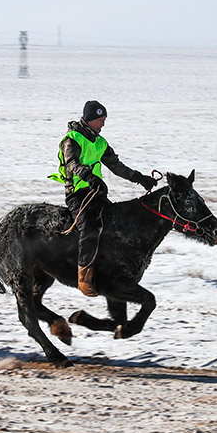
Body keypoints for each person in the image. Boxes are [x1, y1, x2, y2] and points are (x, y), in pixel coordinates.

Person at [49, 101, 156, 296]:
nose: (103, 124)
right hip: (78, 194)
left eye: (104, 120)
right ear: (90, 119)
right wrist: (90, 177)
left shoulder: (100, 143)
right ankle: (84, 277)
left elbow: (117, 166)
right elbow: (72, 164)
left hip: (96, 193)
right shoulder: (71, 140)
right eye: (101, 120)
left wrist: (140, 179)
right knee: (90, 229)